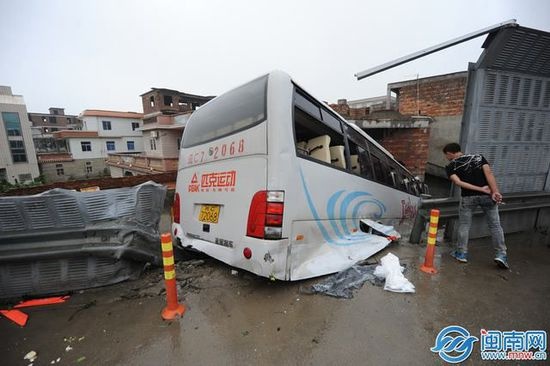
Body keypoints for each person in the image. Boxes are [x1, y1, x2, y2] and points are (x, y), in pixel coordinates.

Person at [443, 143, 509, 269]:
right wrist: (495, 191)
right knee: (495, 225)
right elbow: (489, 173)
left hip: (468, 198)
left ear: (450, 153)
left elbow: (458, 182)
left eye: (446, 155)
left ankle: (461, 253)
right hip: (488, 196)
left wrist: (479, 189)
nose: (447, 158)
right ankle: (501, 254)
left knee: (464, 225)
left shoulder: (451, 166)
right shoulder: (479, 157)